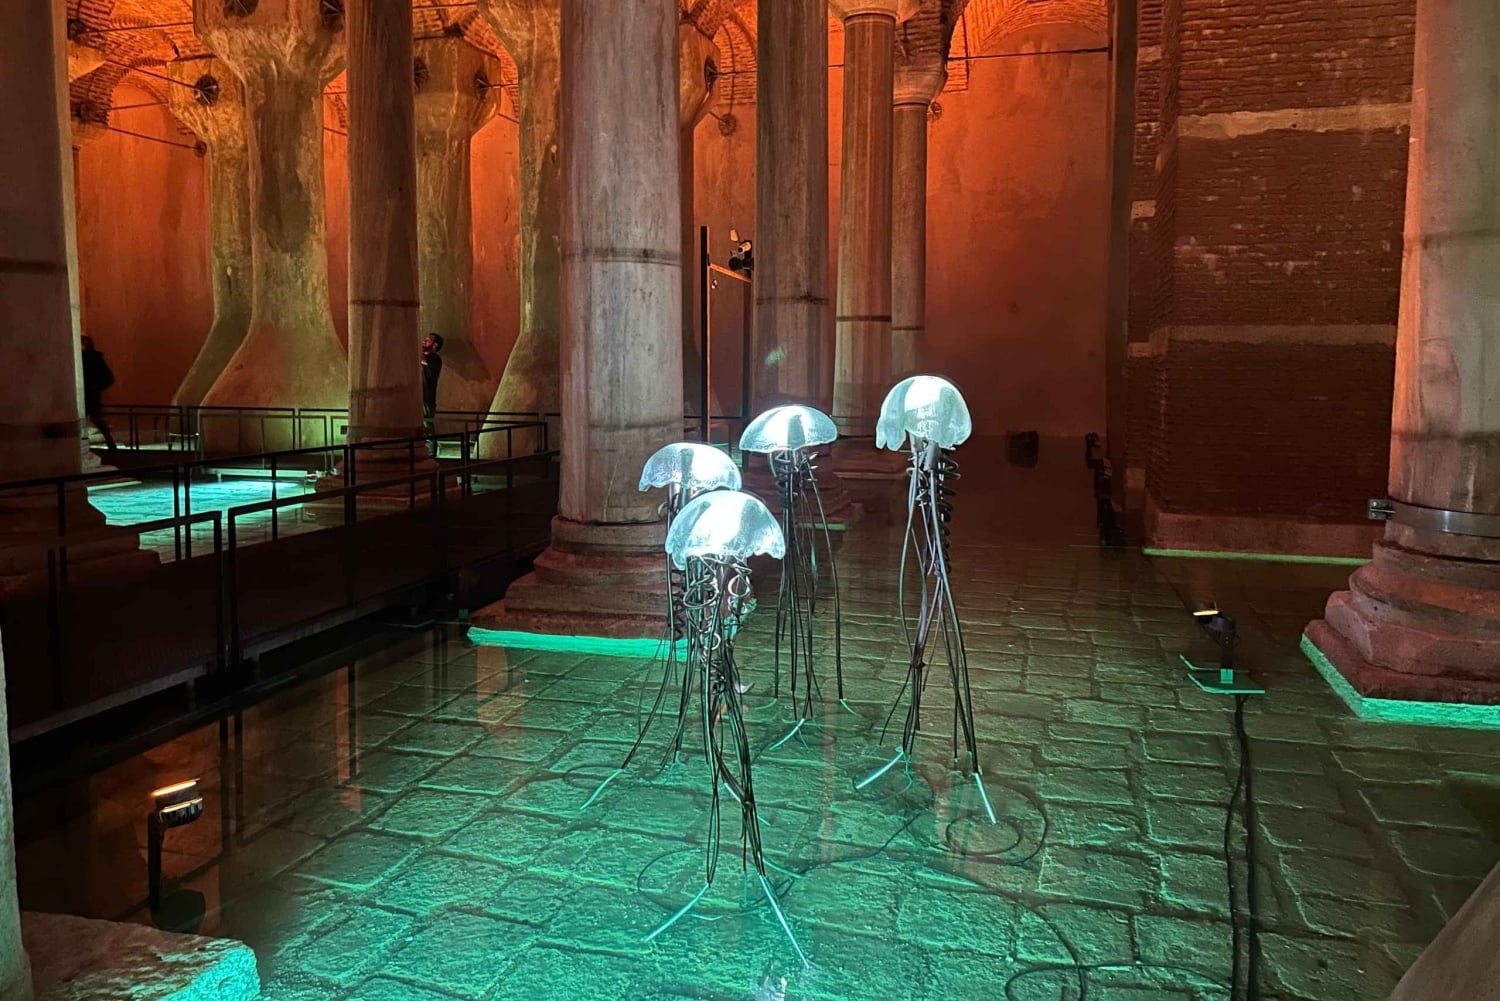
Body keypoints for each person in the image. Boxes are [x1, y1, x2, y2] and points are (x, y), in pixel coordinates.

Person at [80, 335, 117, 451]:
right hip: (91, 396)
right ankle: (111, 446)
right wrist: (96, 388)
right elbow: (109, 378)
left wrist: (93, 388)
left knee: (85, 421)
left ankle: (81, 446)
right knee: (96, 421)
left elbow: (109, 378)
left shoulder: (86, 359)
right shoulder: (95, 359)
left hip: (87, 396)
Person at [421, 332, 443, 456]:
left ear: (435, 345)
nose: (424, 342)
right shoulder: (424, 358)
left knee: (428, 425)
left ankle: (432, 452)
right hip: (420, 397)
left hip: (427, 398)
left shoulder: (435, 359)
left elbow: (426, 364)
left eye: (428, 340)